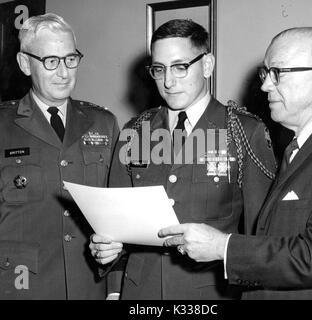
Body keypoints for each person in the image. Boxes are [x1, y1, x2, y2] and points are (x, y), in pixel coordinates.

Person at [159, 27, 312, 300]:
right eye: (265, 73)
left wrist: (223, 247)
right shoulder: (300, 148)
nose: (266, 85)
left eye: (277, 73)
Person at [90, 19, 276, 300]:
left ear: (208, 65)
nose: (168, 81)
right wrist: (110, 269)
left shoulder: (243, 131)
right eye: (159, 69)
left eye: (180, 67)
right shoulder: (135, 131)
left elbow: (261, 237)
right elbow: (114, 228)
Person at [0, 13, 119, 300]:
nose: (64, 72)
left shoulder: (103, 123)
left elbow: (117, 217)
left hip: (88, 286)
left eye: (70, 59)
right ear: (24, 63)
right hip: (20, 287)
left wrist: (115, 287)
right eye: (51, 61)